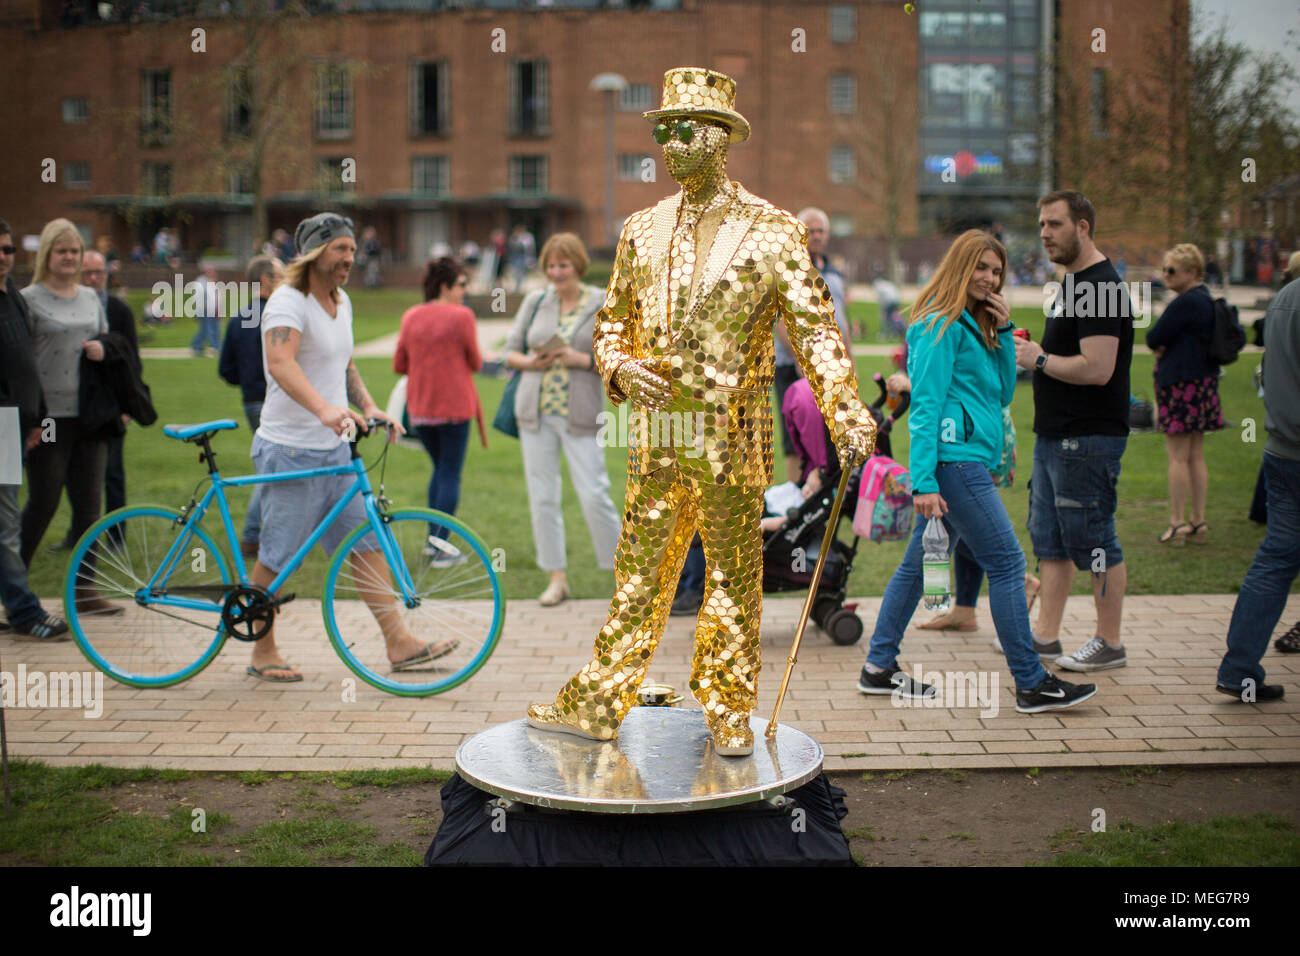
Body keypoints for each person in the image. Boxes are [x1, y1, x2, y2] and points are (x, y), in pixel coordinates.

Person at [525, 68, 876, 756]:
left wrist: (847, 411)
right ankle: (599, 700)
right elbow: (610, 325)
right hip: (655, 436)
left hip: (729, 439)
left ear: (721, 137)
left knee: (733, 578)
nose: (670, 142)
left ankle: (727, 707)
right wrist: (621, 366)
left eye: (686, 129)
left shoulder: (773, 232)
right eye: (662, 129)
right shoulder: (640, 229)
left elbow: (816, 334)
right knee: (638, 579)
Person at [858, 229, 1096, 713]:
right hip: (953, 462)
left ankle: (879, 667)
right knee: (1008, 564)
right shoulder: (939, 325)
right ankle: (1031, 683)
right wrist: (923, 481)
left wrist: (1005, 333)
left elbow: (1004, 394)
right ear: (960, 267)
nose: (990, 278)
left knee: (917, 567)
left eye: (996, 271)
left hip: (971, 460)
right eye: (981, 268)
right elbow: (924, 407)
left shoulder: (975, 325)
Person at [243, 211, 441, 682]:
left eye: (352, 249)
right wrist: (324, 411)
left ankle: (399, 642)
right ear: (315, 253)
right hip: (291, 448)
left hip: (337, 449)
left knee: (367, 542)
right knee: (280, 554)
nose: (351, 257)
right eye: (340, 249)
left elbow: (343, 364)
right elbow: (280, 362)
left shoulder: (342, 301)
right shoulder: (288, 302)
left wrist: (368, 406)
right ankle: (262, 650)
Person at [1014, 190, 1134, 674]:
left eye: (1055, 224)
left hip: (1087, 438)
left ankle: (1109, 641)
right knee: (1051, 540)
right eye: (1042, 224)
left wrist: (1039, 358)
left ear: (1083, 226)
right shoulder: (1073, 282)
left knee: (1094, 537)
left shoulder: (1100, 287)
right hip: (1054, 435)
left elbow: (1098, 368)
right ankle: (1044, 636)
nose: (1045, 233)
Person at [503, 233, 620, 606]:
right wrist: (531, 362)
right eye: (550, 266)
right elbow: (510, 353)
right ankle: (557, 578)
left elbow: (620, 358)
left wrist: (582, 360)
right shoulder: (537, 300)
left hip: (581, 415)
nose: (555, 272)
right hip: (534, 414)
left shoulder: (601, 302)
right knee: (543, 497)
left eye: (563, 265)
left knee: (594, 494)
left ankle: (626, 578)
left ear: (578, 265)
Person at [18, 219, 119, 615]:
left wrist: (103, 350)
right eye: (62, 251)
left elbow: (109, 343)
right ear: (47, 254)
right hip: (48, 417)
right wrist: (31, 418)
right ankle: (13, 583)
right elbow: (19, 360)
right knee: (43, 500)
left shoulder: (91, 298)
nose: (70, 258)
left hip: (89, 415)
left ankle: (85, 589)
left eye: (75, 251)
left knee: (90, 504)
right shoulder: (28, 299)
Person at [1215, 273, 1300, 702]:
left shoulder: (1286, 295)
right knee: (1275, 562)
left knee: (1275, 562)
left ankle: (1240, 670)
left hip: (1281, 450)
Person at [0, 216, 69, 639]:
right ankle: (24, 611)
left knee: (5, 518)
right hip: (2, 424)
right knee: (7, 521)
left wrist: (37, 418)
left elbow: (28, 364)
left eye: (8, 249)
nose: (4, 258)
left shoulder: (12, 295)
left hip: (16, 425)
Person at [45, 249, 140, 553]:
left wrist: (127, 406)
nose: (94, 278)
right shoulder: (65, 305)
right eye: (88, 273)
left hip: (109, 406)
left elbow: (131, 360)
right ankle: (79, 534)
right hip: (72, 406)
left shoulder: (119, 310)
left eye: (99, 272)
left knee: (112, 473)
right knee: (76, 478)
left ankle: (116, 537)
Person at [393, 257, 485, 564]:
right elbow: (476, 363)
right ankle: (439, 547)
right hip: (455, 408)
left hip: (421, 410)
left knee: (440, 472)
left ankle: (433, 542)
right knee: (449, 475)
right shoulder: (462, 316)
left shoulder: (410, 316)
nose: (465, 289)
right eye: (461, 284)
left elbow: (399, 365)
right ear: (445, 286)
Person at [1146, 243, 1223, 544]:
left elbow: (1154, 336)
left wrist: (1162, 347)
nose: (1165, 275)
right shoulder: (1205, 299)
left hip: (1180, 385)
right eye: (1164, 269)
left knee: (1178, 457)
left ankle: (1177, 521)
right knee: (1195, 455)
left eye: (1172, 270)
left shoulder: (1185, 302)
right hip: (1202, 384)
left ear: (1191, 272)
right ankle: (1198, 519)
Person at [770, 207, 852, 482]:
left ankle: (821, 497)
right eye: (810, 231)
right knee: (794, 439)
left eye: (821, 231)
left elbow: (842, 320)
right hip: (793, 367)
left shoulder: (835, 274)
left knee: (828, 435)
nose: (816, 236)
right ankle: (795, 495)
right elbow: (781, 321)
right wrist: (801, 361)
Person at [219, 254, 280, 557]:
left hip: (251, 402)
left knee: (274, 465)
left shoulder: (239, 317)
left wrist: (248, 380)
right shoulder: (280, 315)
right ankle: (252, 535)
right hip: (276, 401)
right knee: (272, 469)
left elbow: (225, 369)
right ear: (266, 280)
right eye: (281, 275)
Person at [189, 263, 222, 356]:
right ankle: (215, 347)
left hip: (211, 310)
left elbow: (216, 299)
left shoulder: (211, 282)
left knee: (207, 330)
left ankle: (197, 346)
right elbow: (198, 297)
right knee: (209, 329)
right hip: (204, 310)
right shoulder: (201, 282)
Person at [506, 223, 536, 294]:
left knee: (523, 273)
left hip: (525, 257)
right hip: (516, 258)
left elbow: (529, 248)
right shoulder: (514, 237)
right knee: (516, 273)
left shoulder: (528, 237)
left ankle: (521, 287)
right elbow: (511, 247)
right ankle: (517, 286)